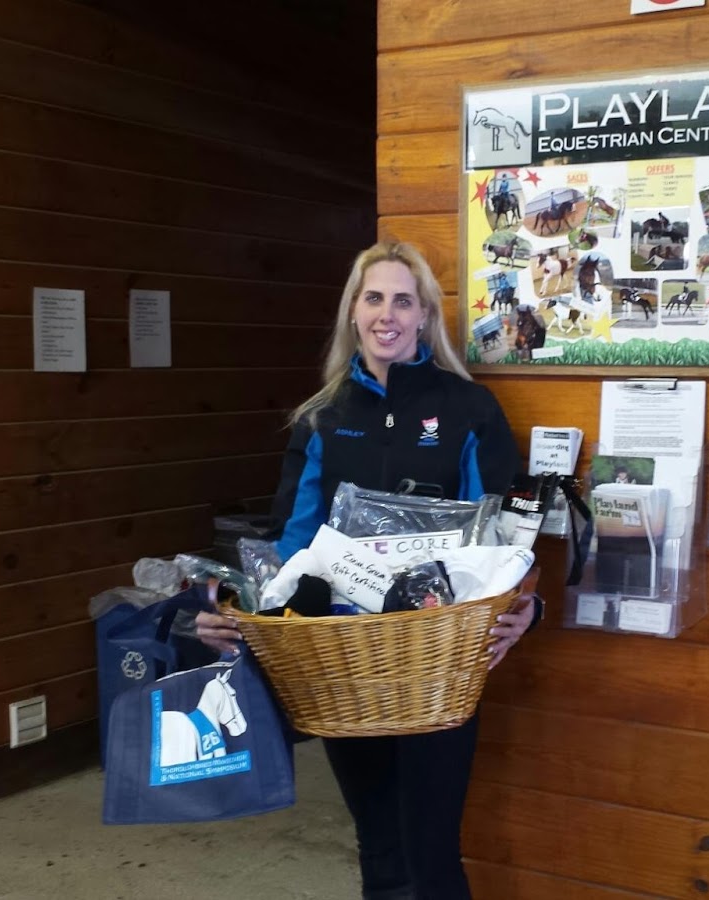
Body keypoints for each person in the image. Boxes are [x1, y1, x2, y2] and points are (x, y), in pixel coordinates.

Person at [194, 241, 538, 900]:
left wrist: (526, 607)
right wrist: (227, 602)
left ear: (424, 316)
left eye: (403, 300)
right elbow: (287, 548)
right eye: (374, 297)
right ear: (354, 312)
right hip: (343, 666)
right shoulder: (321, 418)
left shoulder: (470, 412)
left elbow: (503, 541)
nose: (388, 314)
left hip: (437, 663)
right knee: (379, 848)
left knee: (432, 857)